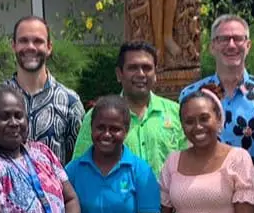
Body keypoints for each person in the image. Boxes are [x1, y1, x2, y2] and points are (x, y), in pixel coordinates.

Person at [179, 14, 254, 164]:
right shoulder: (191, 95)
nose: (231, 45)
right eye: (224, 39)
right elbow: (183, 148)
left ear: (248, 45)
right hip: (202, 185)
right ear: (212, 47)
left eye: (238, 39)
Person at [72, 41, 187, 175]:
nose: (141, 74)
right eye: (133, 68)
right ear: (119, 74)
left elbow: (191, 163)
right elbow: (80, 170)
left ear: (156, 73)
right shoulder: (98, 117)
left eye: (147, 68)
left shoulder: (176, 114)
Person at [6, 16, 84, 163]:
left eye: (38, 41)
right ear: (13, 46)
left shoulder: (70, 102)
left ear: (49, 47)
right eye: (23, 41)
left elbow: (77, 163)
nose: (30, 47)